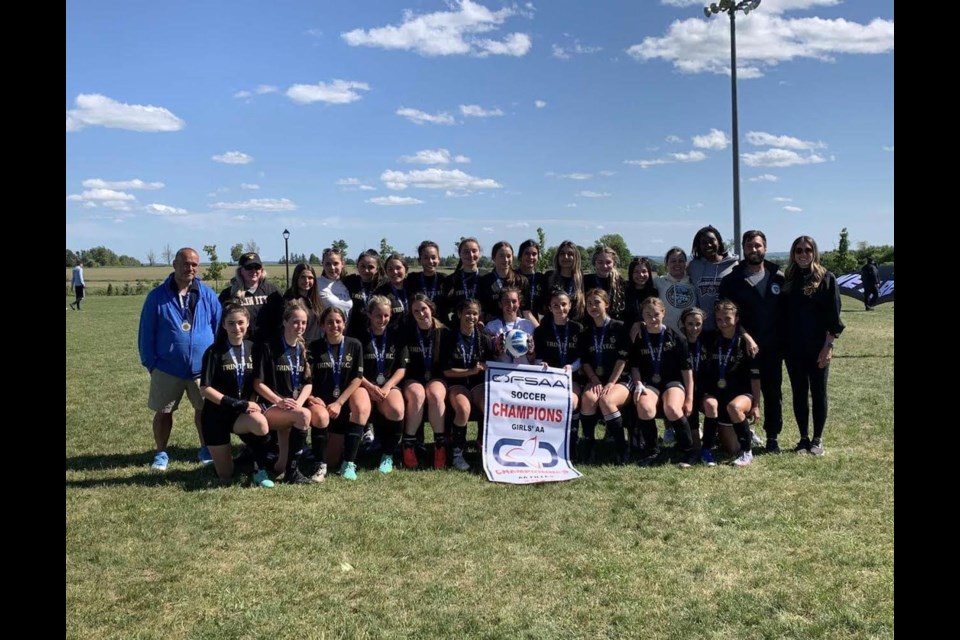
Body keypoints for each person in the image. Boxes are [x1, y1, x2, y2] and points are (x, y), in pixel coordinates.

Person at [138, 247, 222, 470]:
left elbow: (218, 328)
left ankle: (205, 448)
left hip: (201, 369)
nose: (190, 268)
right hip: (167, 368)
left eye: (194, 264)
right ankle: (161, 453)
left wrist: (214, 364)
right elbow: (146, 333)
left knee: (204, 411)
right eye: (185, 263)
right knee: (163, 412)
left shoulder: (207, 295)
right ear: (174, 265)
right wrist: (151, 364)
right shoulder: (157, 297)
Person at [719, 230, 785, 453]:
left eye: (758, 245)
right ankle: (743, 435)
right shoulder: (731, 281)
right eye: (749, 246)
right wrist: (745, 336)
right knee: (743, 394)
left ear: (765, 248)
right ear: (743, 249)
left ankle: (773, 438)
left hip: (773, 347)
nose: (754, 250)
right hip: (742, 348)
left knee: (773, 393)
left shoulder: (779, 278)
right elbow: (727, 316)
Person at [199, 304, 275, 487]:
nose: (236, 328)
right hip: (216, 416)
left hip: (240, 414)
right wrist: (237, 404)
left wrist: (250, 403)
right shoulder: (213, 352)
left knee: (260, 423)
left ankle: (259, 468)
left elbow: (258, 382)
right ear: (224, 325)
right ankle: (232, 458)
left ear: (248, 323)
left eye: (241, 323)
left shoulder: (254, 348)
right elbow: (205, 389)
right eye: (231, 323)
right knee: (226, 475)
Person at [781, 236, 844, 456]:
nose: (803, 254)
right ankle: (803, 438)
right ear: (793, 253)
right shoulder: (788, 278)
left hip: (818, 347)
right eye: (798, 250)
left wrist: (828, 347)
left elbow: (834, 317)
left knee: (818, 392)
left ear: (814, 252)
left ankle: (817, 439)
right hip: (793, 348)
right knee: (799, 393)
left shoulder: (827, 278)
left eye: (808, 250)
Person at [629, 298, 696, 467]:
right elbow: (634, 367)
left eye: (656, 314)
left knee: (672, 408)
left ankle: (689, 451)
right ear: (642, 315)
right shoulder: (638, 337)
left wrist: (689, 398)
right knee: (645, 407)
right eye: (648, 315)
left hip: (672, 382)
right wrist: (638, 384)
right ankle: (652, 451)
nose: (652, 318)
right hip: (648, 382)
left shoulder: (676, 337)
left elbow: (686, 371)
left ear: (663, 313)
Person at [252, 299, 315, 484]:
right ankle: (293, 473)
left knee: (279, 466)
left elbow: (308, 383)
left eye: (303, 322)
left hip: (292, 406)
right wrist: (279, 401)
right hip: (270, 406)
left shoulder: (301, 348)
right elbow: (258, 384)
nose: (300, 326)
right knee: (303, 416)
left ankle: (278, 465)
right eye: (295, 321)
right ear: (285, 322)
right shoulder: (268, 347)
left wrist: (299, 402)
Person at [305, 307, 370, 481]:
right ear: (322, 326)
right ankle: (320, 462)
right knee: (330, 461)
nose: (334, 325)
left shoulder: (354, 344)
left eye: (338, 321)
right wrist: (311, 398)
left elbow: (357, 377)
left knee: (362, 403)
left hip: (343, 402)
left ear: (344, 324)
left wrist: (340, 403)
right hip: (323, 404)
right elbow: (307, 378)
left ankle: (349, 462)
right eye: (330, 322)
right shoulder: (314, 347)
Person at [700, 299, 762, 466]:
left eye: (727, 319)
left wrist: (756, 405)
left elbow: (755, 379)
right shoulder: (710, 339)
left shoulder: (748, 345)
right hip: (717, 395)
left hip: (741, 395)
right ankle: (706, 450)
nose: (723, 323)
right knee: (730, 448)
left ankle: (747, 452)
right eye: (719, 319)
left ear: (736, 318)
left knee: (734, 408)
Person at [578, 288, 631, 464]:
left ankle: (621, 447)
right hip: (596, 379)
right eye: (589, 303)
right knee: (587, 398)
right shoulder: (586, 332)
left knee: (607, 401)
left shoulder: (620, 327)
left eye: (597, 302)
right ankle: (589, 445)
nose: (593, 306)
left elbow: (622, 358)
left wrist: (610, 383)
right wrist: (594, 379)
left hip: (620, 379)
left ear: (606, 304)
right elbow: (585, 361)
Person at [442, 298, 494, 471]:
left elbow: (492, 365)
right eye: (467, 313)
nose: (471, 317)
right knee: (463, 409)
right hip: (457, 384)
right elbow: (446, 371)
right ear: (459, 314)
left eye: (475, 313)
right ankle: (457, 452)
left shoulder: (484, 339)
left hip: (477, 385)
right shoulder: (449, 337)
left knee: (490, 405)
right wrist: (470, 371)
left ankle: (488, 448)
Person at [359, 296, 409, 474]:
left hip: (388, 385)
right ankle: (352, 454)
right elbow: (355, 371)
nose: (382, 319)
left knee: (396, 410)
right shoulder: (360, 337)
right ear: (369, 315)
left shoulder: (397, 336)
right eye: (378, 315)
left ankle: (388, 455)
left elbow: (401, 369)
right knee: (359, 407)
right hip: (363, 385)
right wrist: (370, 387)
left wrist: (387, 387)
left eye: (386, 315)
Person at [533, 288, 584, 460]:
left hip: (571, 378)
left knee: (571, 401)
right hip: (548, 379)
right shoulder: (542, 330)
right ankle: (546, 442)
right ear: (549, 307)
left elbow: (582, 357)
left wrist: (572, 367)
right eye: (555, 305)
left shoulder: (578, 328)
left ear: (570, 306)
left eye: (563, 304)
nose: (560, 308)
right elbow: (537, 357)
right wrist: (542, 365)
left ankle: (571, 443)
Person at [401, 294, 450, 469]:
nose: (421, 314)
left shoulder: (444, 331)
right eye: (416, 311)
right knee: (417, 394)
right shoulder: (407, 330)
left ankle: (439, 445)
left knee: (436, 395)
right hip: (413, 376)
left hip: (436, 376)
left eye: (424, 309)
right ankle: (408, 444)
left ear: (431, 309)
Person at [218, 252, 279, 343]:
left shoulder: (272, 292)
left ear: (261, 270)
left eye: (257, 267)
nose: (253, 271)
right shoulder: (228, 294)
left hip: (267, 347)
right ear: (241, 271)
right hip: (240, 347)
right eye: (249, 267)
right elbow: (221, 324)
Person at [688, 225, 739, 330]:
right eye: (704, 243)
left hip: (727, 328)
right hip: (700, 328)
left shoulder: (733, 265)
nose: (708, 245)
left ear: (719, 242)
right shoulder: (693, 266)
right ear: (698, 246)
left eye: (712, 241)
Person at [484, 285, 537, 365]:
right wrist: (496, 349)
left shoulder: (528, 325)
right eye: (506, 301)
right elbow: (488, 357)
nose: (511, 305)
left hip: (523, 372)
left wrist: (530, 352)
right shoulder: (491, 326)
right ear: (500, 304)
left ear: (519, 303)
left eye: (514, 301)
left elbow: (533, 359)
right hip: (500, 373)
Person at [477, 241, 528, 322]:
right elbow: (481, 311)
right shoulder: (484, 281)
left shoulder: (521, 280)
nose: (505, 260)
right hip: (492, 327)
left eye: (508, 256)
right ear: (494, 258)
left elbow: (526, 310)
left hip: (516, 327)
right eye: (501, 256)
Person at [441, 237, 484, 326]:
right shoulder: (451, 280)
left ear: (479, 253)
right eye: (466, 252)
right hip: (457, 328)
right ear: (460, 254)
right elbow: (445, 308)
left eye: (474, 251)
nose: (471, 255)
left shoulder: (487, 278)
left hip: (483, 326)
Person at [654, 247, 697, 334]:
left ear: (685, 264)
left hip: (690, 335)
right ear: (666, 264)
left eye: (681, 261)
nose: (677, 264)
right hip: (666, 335)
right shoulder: (657, 282)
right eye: (673, 261)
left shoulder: (694, 283)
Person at [344, 249, 385, 340]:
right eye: (362, 266)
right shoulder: (350, 281)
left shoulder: (384, 286)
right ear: (357, 266)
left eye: (371, 267)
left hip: (376, 336)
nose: (366, 270)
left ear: (377, 268)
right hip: (353, 335)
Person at [582, 245, 625, 320]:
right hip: (589, 325)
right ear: (594, 263)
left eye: (608, 262)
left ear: (614, 264)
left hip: (612, 326)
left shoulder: (620, 283)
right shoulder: (585, 281)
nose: (604, 266)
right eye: (600, 262)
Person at [546, 240, 586, 321]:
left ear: (576, 257)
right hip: (553, 327)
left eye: (570, 254)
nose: (566, 257)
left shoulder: (584, 280)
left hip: (576, 328)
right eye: (562, 253)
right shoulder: (549, 277)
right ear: (557, 256)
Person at [624, 257, 659, 342]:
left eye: (644, 271)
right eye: (636, 272)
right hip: (626, 336)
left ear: (649, 273)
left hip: (649, 337)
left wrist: (642, 323)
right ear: (631, 273)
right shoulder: (623, 290)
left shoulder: (654, 293)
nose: (641, 275)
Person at [404, 240, 447, 309]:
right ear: (419, 260)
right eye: (426, 258)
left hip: (441, 319)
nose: (430, 261)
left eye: (433, 257)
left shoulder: (445, 279)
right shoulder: (412, 279)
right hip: (418, 319)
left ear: (439, 259)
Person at [316, 247, 354, 325]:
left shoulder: (348, 283)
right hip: (325, 334)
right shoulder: (316, 284)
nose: (332, 268)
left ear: (342, 264)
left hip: (346, 334)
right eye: (328, 264)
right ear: (322, 264)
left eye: (336, 263)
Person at [517, 239, 546, 327]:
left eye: (534, 254)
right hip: (514, 324)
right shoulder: (512, 277)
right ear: (520, 256)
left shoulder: (541, 278)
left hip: (534, 324)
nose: (531, 257)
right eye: (527, 253)